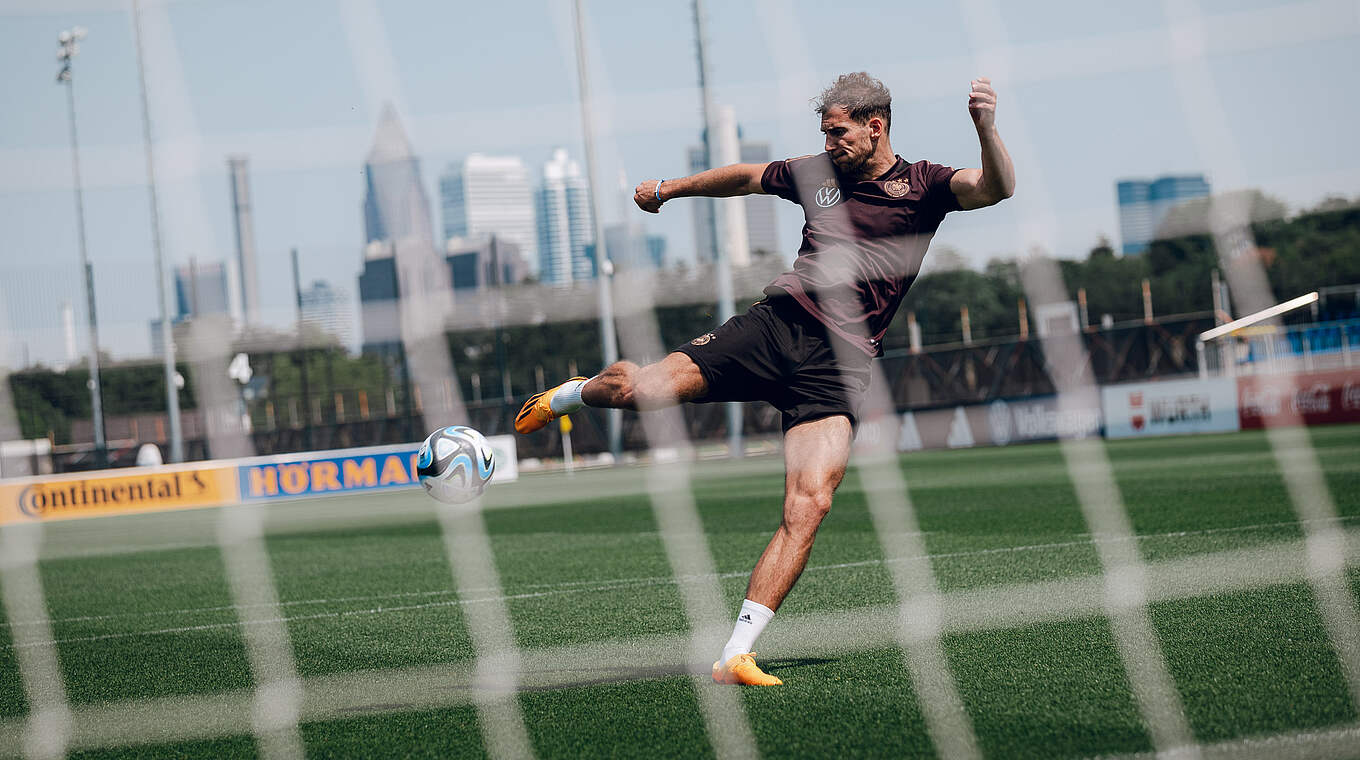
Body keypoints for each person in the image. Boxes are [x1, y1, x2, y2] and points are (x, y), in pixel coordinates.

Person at [516, 72, 1014, 685]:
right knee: (643, 391)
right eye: (825, 133)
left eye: (838, 132)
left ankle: (736, 654)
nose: (829, 143)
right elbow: (746, 177)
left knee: (811, 504)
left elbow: (994, 187)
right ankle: (568, 394)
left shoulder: (927, 185)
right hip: (776, 327)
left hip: (840, 366)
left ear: (874, 126)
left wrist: (986, 129)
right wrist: (671, 189)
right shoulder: (816, 174)